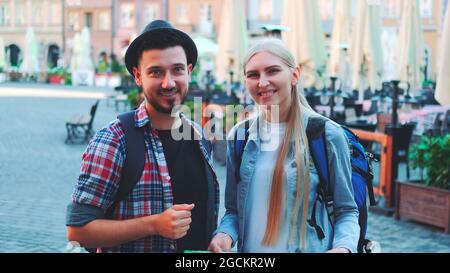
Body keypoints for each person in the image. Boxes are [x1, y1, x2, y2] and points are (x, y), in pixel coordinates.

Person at [66, 20, 219, 253]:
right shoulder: (114, 140)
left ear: (188, 71)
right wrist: (154, 225)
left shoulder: (199, 136)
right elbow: (78, 231)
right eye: (156, 71)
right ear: (138, 76)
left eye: (177, 69)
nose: (168, 82)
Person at [208, 38, 359, 253]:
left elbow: (347, 211)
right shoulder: (240, 137)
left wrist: (344, 248)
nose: (262, 82)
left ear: (295, 75)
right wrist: (225, 234)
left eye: (272, 71)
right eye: (253, 74)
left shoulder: (326, 134)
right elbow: (233, 212)